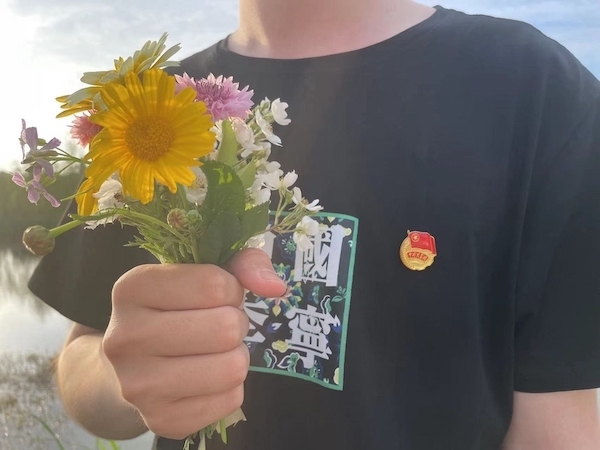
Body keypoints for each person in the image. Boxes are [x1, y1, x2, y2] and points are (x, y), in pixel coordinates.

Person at [29, 0, 600, 449]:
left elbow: (558, 425)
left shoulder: (536, 90)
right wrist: (125, 378)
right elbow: (82, 357)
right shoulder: (141, 110)